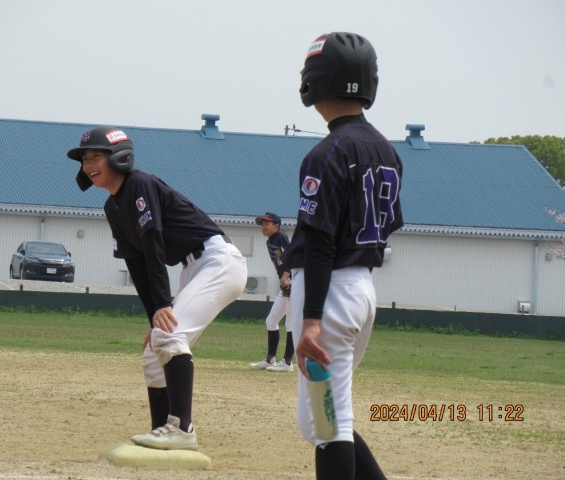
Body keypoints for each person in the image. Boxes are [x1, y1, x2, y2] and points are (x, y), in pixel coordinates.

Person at [67, 127, 247, 451]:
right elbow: (136, 264)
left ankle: (183, 429)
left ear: (119, 158)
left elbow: (153, 243)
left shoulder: (139, 183)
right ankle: (161, 432)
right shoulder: (112, 207)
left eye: (96, 156)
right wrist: (155, 316)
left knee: (169, 335)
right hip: (194, 268)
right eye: (84, 159)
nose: (88, 164)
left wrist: (164, 304)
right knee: (154, 350)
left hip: (218, 261)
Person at [285, 32, 403, 480]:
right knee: (331, 417)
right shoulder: (387, 150)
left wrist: (312, 319)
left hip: (329, 293)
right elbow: (387, 225)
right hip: (361, 289)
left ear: (318, 79)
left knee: (326, 423)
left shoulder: (328, 151)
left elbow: (319, 242)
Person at [249, 212, 294, 372]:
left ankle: (287, 363)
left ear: (276, 226)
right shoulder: (270, 241)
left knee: (291, 323)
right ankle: (270, 360)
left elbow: (293, 256)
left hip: (294, 281)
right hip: (286, 282)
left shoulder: (281, 237)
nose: (264, 226)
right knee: (271, 321)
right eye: (262, 224)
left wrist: (285, 277)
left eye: (267, 223)